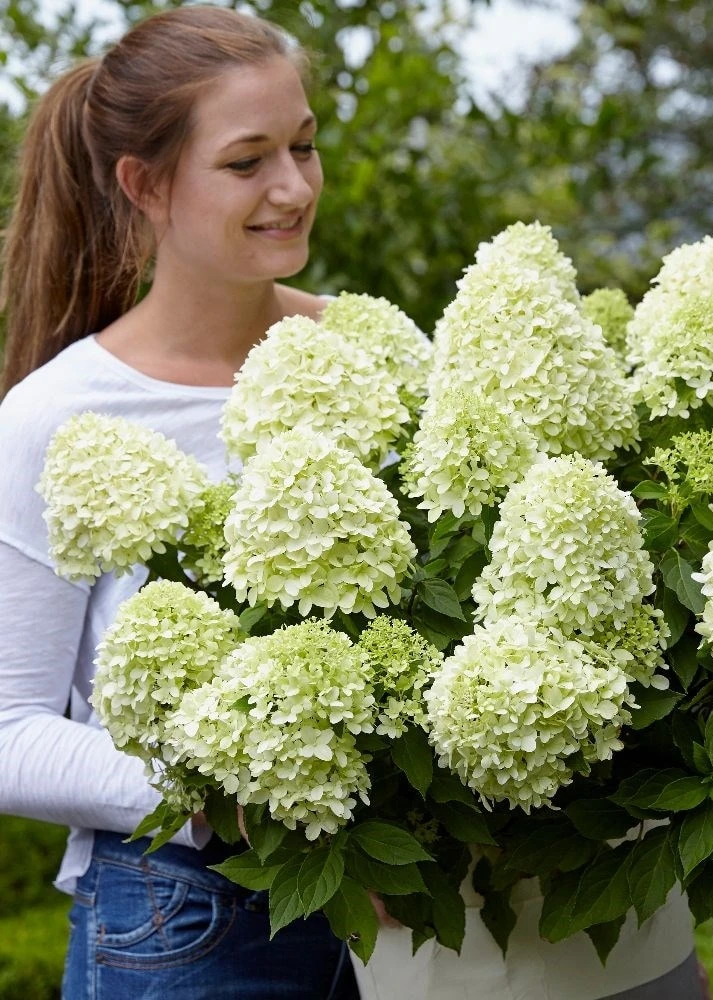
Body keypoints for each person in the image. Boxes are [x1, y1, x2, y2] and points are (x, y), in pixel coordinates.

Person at [0, 7, 359, 998]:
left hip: (397, 908)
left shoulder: (367, 352)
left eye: (304, 146)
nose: (293, 187)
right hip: (188, 921)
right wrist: (223, 792)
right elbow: (7, 727)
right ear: (144, 185)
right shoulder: (53, 417)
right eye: (247, 162)